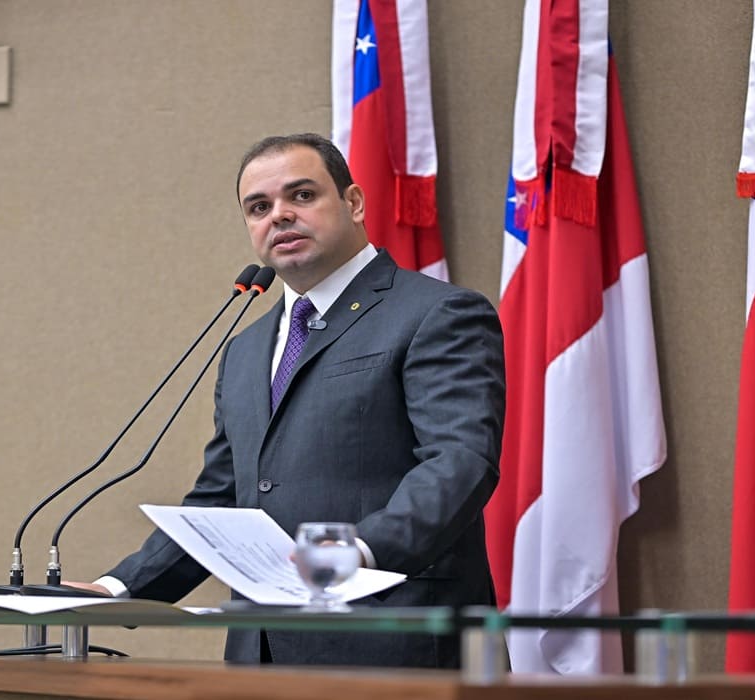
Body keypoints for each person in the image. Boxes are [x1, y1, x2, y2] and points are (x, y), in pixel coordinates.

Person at [72, 133, 505, 668]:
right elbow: (223, 498)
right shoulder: (245, 349)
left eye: (301, 195)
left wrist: (355, 552)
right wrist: (118, 588)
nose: (278, 215)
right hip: (262, 653)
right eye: (259, 207)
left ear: (353, 203)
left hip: (397, 641)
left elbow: (459, 463)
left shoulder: (436, 314)